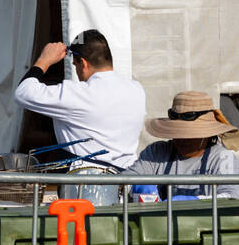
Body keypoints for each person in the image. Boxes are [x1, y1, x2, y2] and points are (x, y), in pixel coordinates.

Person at [14, 30, 146, 168]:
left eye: (75, 65)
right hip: (127, 178)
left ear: (83, 63)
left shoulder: (78, 94)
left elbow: (23, 92)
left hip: (87, 183)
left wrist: (44, 61)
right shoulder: (137, 89)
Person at [129, 90, 239, 199]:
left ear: (207, 135)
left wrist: (195, 201)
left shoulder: (222, 158)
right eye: (177, 133)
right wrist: (134, 186)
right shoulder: (157, 152)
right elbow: (124, 180)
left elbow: (233, 196)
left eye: (189, 135)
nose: (182, 139)